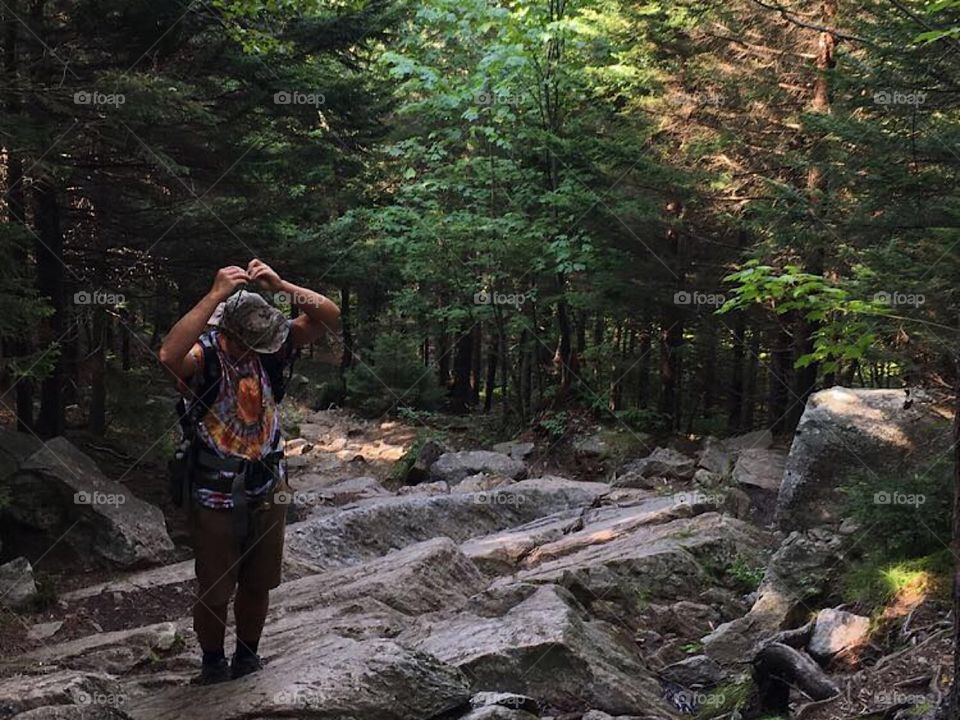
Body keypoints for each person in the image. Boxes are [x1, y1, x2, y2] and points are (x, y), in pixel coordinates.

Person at [159, 259, 340, 684]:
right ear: (228, 331)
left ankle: (247, 657)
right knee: (215, 589)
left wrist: (280, 285)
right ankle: (211, 664)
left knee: (259, 583)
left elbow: (328, 315)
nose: (260, 347)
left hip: (268, 483)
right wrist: (215, 294)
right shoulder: (203, 356)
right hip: (214, 489)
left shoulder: (272, 346)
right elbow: (168, 356)